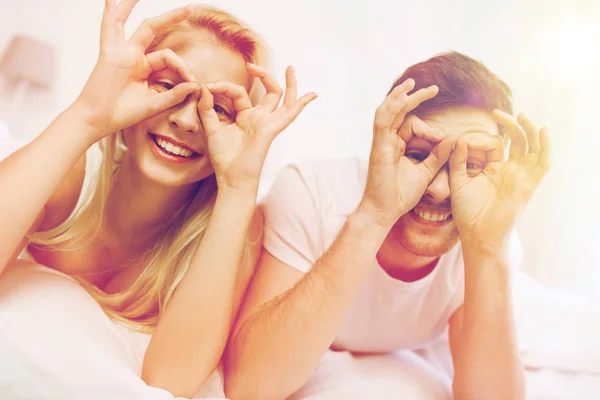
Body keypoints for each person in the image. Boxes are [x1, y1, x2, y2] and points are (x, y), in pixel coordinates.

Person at [0, 0, 316, 397]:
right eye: (166, 87)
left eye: (217, 110)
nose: (185, 120)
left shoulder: (239, 225)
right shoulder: (72, 172)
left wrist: (238, 187)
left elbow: (171, 381)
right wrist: (87, 115)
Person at [224, 51, 551, 400]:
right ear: (382, 146)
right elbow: (250, 386)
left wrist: (488, 250)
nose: (440, 189)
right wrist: (374, 216)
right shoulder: (311, 192)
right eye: (418, 154)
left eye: (469, 165)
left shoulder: (489, 235)